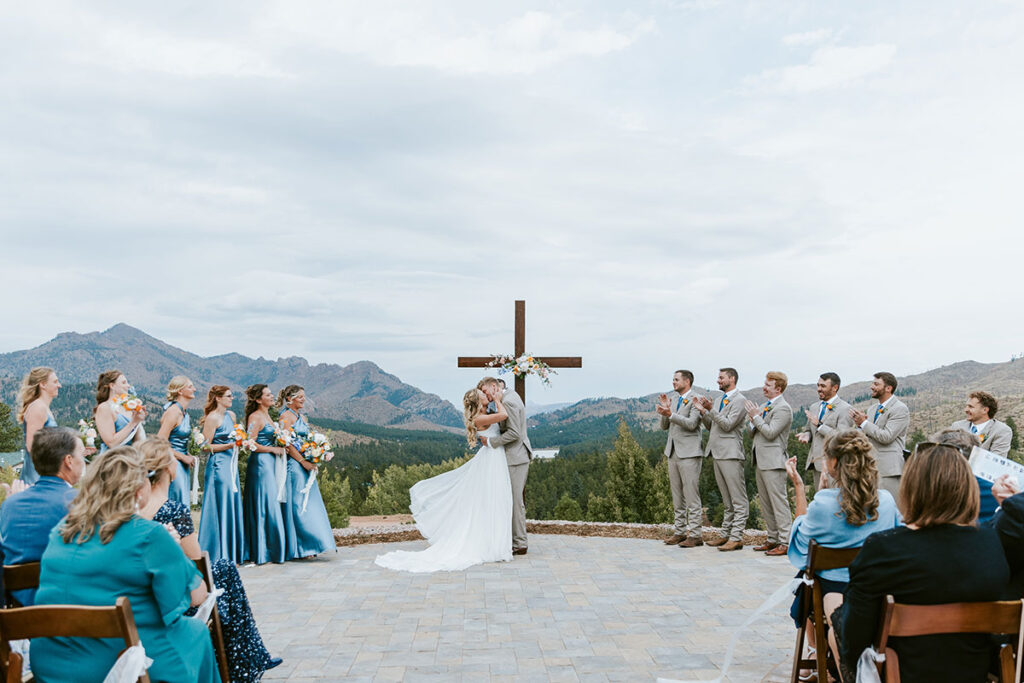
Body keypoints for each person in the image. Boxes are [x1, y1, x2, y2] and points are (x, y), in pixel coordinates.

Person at [30, 446, 219, 683]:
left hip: (52, 664)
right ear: (140, 491)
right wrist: (173, 547)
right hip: (119, 663)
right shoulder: (149, 535)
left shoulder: (61, 531)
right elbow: (196, 596)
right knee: (197, 633)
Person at [826, 441, 1008, 683]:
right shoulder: (991, 544)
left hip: (899, 674)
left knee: (832, 604)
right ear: (967, 488)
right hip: (971, 673)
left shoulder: (883, 547)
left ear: (912, 488)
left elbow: (854, 644)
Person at [139, 439, 280, 681]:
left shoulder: (132, 509)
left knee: (224, 570)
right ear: (168, 469)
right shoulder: (173, 510)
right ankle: (244, 664)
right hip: (177, 595)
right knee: (225, 569)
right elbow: (196, 564)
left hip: (145, 589)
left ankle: (251, 658)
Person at [784, 431, 901, 674]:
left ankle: (817, 648)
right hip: (876, 591)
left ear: (834, 463)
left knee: (803, 580)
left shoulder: (823, 505)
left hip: (832, 591)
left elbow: (800, 548)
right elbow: (899, 540)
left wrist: (800, 487)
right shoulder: (887, 501)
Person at [375, 385, 512, 572]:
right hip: (491, 461)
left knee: (492, 501)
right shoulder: (480, 418)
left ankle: (495, 542)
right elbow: (503, 416)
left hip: (494, 458)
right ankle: (490, 545)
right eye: (483, 394)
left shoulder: (484, 413)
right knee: (489, 501)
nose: (487, 394)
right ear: (478, 401)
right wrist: (498, 400)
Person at [0, 427, 84, 605]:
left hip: (19, 613)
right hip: (67, 609)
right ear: (68, 461)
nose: (83, 462)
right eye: (82, 456)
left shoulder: (9, 505)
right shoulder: (81, 503)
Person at [276, 385, 335, 559]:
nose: (303, 399)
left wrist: (318, 452)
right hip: (295, 465)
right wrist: (302, 461)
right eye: (300, 397)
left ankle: (312, 544)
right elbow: (286, 443)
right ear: (290, 399)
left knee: (308, 504)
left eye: (304, 396)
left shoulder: (301, 417)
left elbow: (307, 440)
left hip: (306, 464)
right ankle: (300, 548)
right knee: (297, 504)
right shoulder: (285, 417)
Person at [478, 376, 533, 555]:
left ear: (494, 386)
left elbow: (515, 433)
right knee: (509, 499)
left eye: (486, 391)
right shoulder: (510, 395)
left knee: (515, 501)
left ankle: (520, 543)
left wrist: (492, 442)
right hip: (515, 456)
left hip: (515, 457)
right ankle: (511, 539)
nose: (485, 395)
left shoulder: (507, 401)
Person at [696, 368, 748, 551]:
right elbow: (713, 426)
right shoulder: (718, 400)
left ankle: (736, 537)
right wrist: (704, 413)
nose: (718, 380)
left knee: (738, 499)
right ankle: (726, 535)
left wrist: (711, 410)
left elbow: (727, 426)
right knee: (727, 500)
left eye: (721, 377)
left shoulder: (740, 400)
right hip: (717, 452)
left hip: (731, 453)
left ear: (732, 379)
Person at [197, 385, 246, 565]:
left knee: (232, 503)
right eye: (228, 396)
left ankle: (233, 551)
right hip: (218, 465)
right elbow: (205, 446)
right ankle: (219, 553)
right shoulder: (212, 418)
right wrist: (228, 446)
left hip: (231, 465)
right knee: (221, 504)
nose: (232, 398)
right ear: (218, 398)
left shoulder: (231, 416)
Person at [746, 371, 793, 556]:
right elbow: (753, 433)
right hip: (760, 460)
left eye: (768, 385)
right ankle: (772, 538)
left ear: (778, 388)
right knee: (766, 503)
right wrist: (753, 419)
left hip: (774, 462)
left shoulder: (783, 408)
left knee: (779, 503)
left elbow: (771, 432)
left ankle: (786, 541)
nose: (764, 387)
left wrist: (756, 417)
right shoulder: (765, 406)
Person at [656, 370, 704, 548]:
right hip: (673, 452)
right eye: (673, 379)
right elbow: (664, 426)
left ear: (687, 381)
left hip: (690, 453)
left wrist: (671, 414)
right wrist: (664, 412)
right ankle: (680, 531)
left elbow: (692, 424)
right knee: (677, 495)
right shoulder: (674, 400)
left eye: (676, 380)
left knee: (691, 495)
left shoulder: (696, 400)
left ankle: (696, 535)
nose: (673, 382)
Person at [242, 384, 288, 564]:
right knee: (265, 503)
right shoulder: (255, 417)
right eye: (268, 394)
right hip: (261, 464)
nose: (271, 397)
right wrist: (273, 449)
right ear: (258, 399)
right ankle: (264, 551)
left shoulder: (267, 415)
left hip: (270, 462)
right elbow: (249, 443)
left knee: (271, 502)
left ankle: (271, 548)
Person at [850, 371, 909, 502]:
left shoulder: (900, 409)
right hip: (870, 468)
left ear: (888, 388)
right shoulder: (872, 409)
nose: (872, 387)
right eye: (872, 383)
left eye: (876, 384)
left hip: (889, 470)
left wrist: (864, 423)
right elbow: (869, 435)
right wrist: (860, 426)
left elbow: (886, 437)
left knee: (891, 507)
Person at [798, 372, 854, 493]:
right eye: (818, 385)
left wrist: (819, 425)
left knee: (834, 502)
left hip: (834, 465)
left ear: (835, 388)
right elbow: (810, 429)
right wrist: (806, 435)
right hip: (816, 463)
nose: (819, 389)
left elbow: (842, 437)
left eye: (823, 386)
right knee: (820, 499)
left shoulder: (845, 408)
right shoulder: (814, 407)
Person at [16, 367, 63, 485]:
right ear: (43, 384)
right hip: (35, 477)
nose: (59, 385)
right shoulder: (37, 408)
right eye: (55, 382)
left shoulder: (44, 408)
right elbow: (32, 446)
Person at [157, 376, 198, 506]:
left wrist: (188, 455)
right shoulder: (173, 412)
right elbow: (160, 442)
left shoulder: (185, 413)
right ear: (180, 391)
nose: (194, 389)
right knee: (176, 501)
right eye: (190, 386)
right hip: (173, 462)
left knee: (183, 501)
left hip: (183, 464)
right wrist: (182, 457)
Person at [94, 369, 146, 454]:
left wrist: (138, 421)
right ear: (112, 386)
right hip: (112, 460)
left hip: (131, 459)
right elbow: (111, 443)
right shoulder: (104, 408)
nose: (128, 386)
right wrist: (133, 423)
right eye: (124, 383)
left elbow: (138, 440)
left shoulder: (128, 408)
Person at [952, 391, 1012, 457]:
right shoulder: (957, 426)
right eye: (966, 406)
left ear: (985, 410)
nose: (966, 410)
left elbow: (995, 461)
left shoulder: (1001, 431)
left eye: (970, 407)